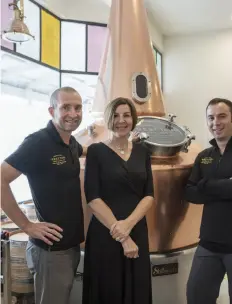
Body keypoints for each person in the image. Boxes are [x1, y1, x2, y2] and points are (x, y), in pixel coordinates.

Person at [1, 87, 87, 304]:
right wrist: (27, 225)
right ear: (52, 111)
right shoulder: (38, 142)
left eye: (77, 108)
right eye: (65, 107)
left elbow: (87, 151)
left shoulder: (71, 143)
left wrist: (119, 145)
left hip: (71, 245)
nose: (73, 113)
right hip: (51, 250)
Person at [82, 97, 154, 304]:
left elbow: (149, 194)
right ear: (108, 119)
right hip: (106, 232)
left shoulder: (143, 152)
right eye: (115, 115)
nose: (121, 120)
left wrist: (128, 226)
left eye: (126, 115)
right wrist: (122, 236)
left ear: (133, 118)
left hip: (136, 230)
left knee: (136, 290)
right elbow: (93, 198)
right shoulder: (96, 151)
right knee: (108, 290)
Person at [184, 98, 232, 304]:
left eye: (222, 116)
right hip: (208, 242)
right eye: (211, 117)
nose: (216, 122)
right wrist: (225, 185)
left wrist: (205, 184)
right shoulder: (204, 156)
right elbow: (189, 193)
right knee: (196, 296)